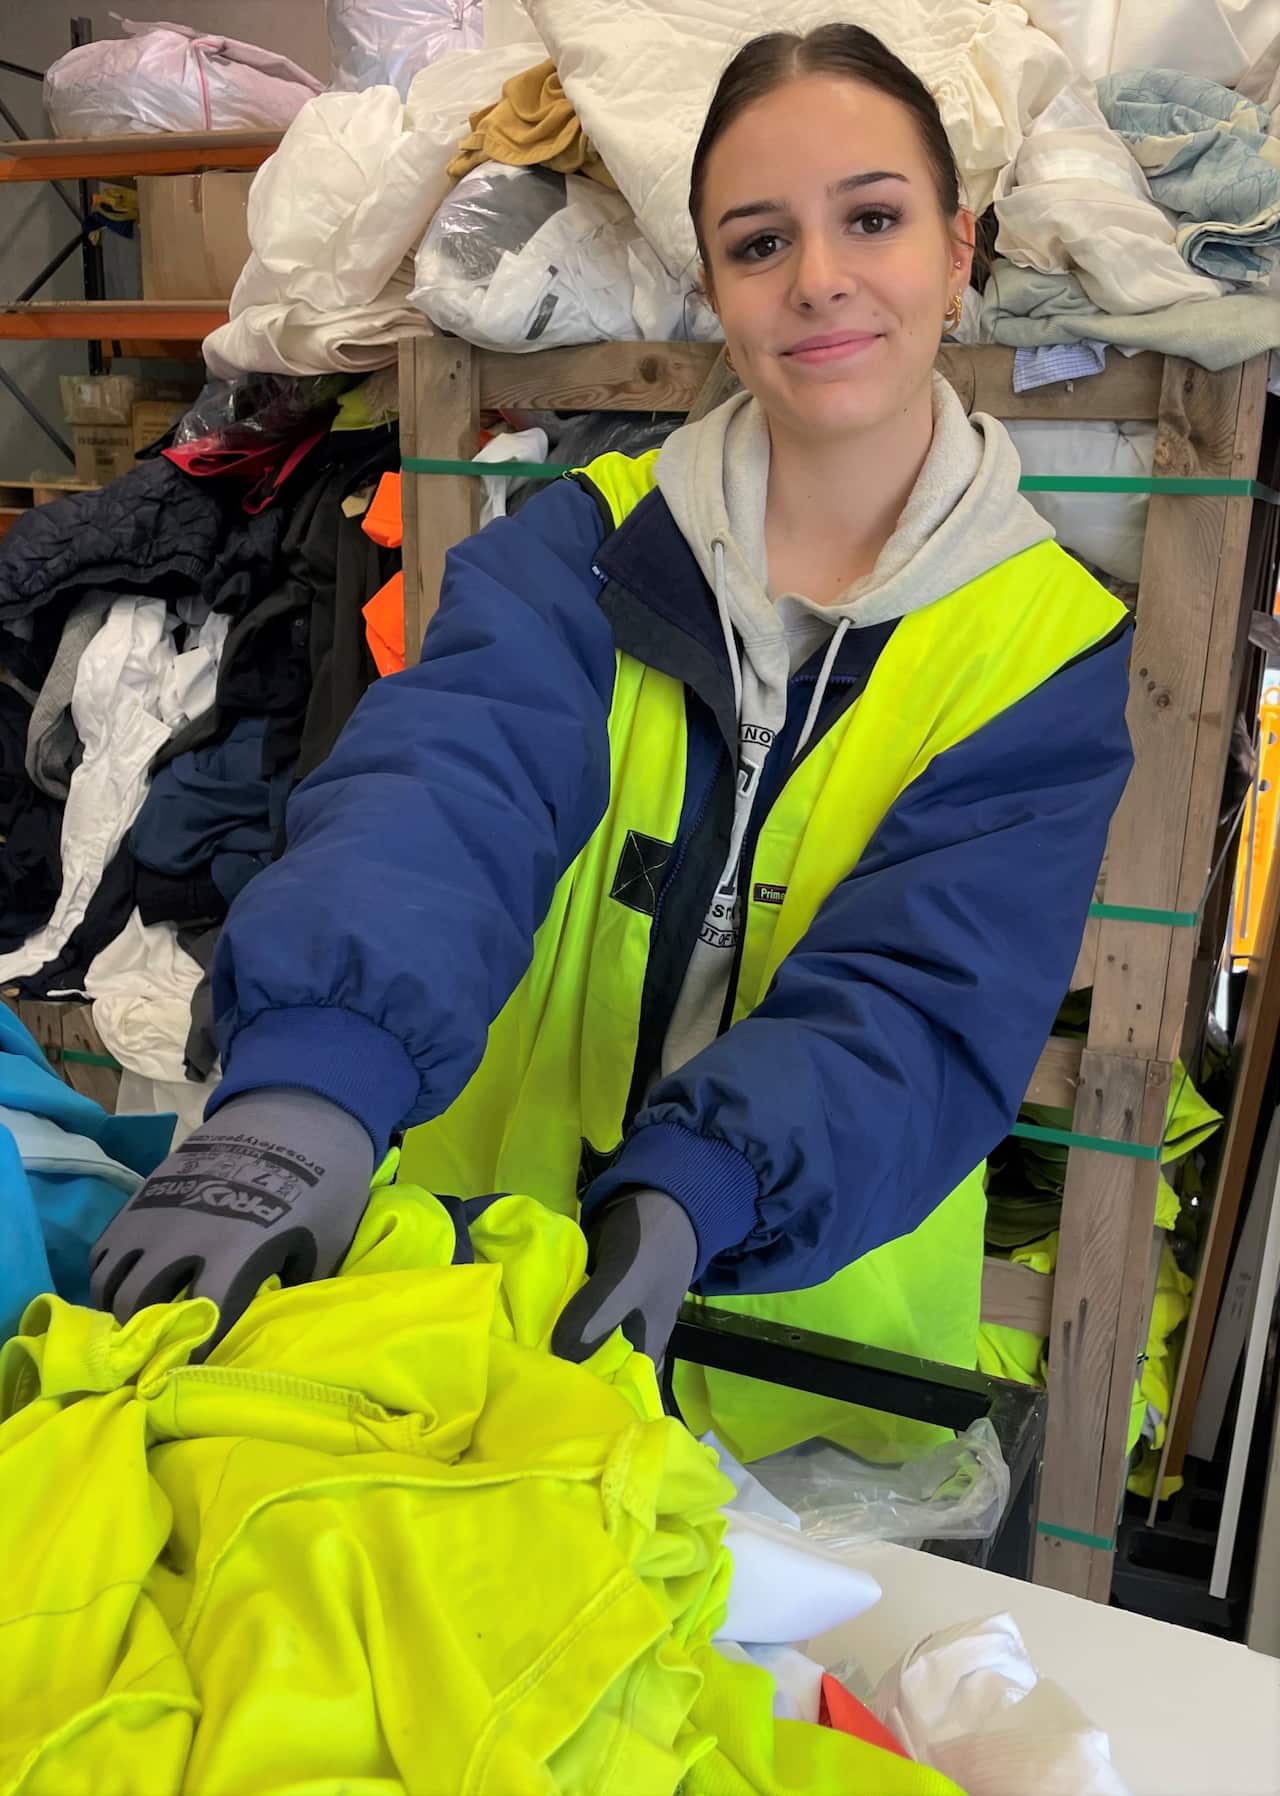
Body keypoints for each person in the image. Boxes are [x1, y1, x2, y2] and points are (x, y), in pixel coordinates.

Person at [91, 25, 1132, 1442]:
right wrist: (313, 1086)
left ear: (959, 251)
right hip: (474, 1310)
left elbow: (931, 990)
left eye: (872, 220)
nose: (819, 277)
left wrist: (703, 1192)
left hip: (800, 1372)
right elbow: (443, 791)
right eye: (759, 243)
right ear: (713, 285)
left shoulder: (1049, 652)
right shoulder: (578, 547)